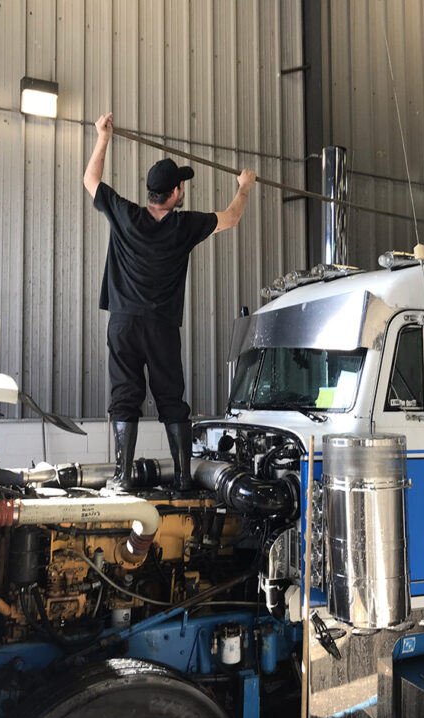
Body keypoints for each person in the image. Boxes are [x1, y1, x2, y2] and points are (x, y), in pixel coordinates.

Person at [84, 112, 256, 493]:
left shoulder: (125, 214)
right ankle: (182, 476)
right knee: (171, 399)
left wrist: (103, 137)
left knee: (124, 396)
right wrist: (244, 186)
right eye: (182, 186)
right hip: (161, 327)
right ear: (176, 192)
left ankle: (122, 476)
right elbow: (231, 217)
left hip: (123, 323)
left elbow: (90, 180)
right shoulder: (184, 226)